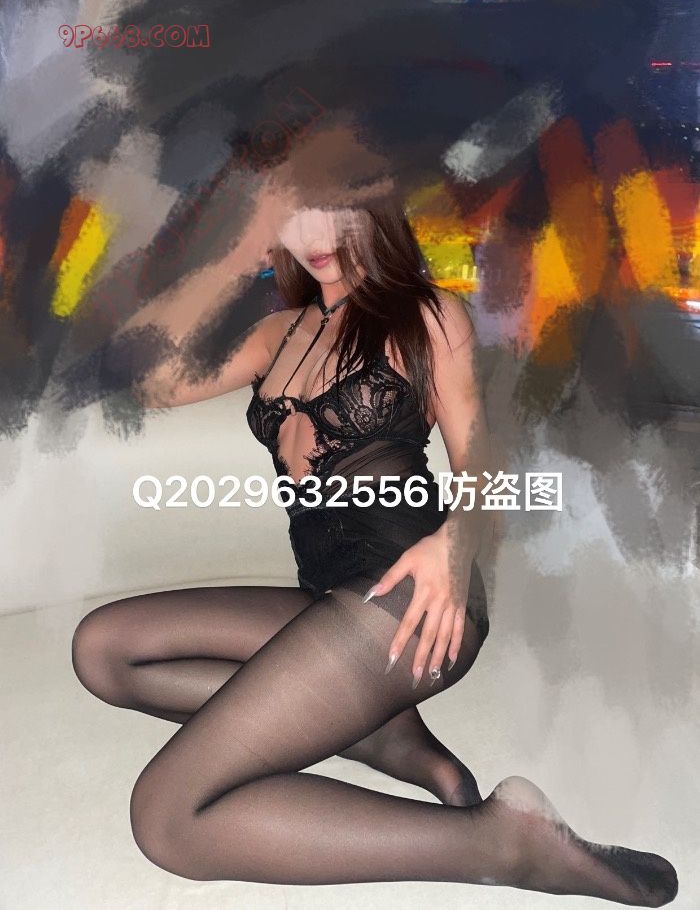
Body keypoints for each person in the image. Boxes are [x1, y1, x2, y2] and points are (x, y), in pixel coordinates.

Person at [71, 170, 678, 905]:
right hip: (330, 603)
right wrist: (231, 255)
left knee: (167, 820)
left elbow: (484, 460)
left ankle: (503, 844)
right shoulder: (277, 334)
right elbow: (146, 379)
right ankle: (384, 736)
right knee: (103, 651)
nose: (316, 237)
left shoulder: (425, 315)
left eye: (335, 210)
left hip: (413, 602)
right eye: (293, 216)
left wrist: (454, 547)